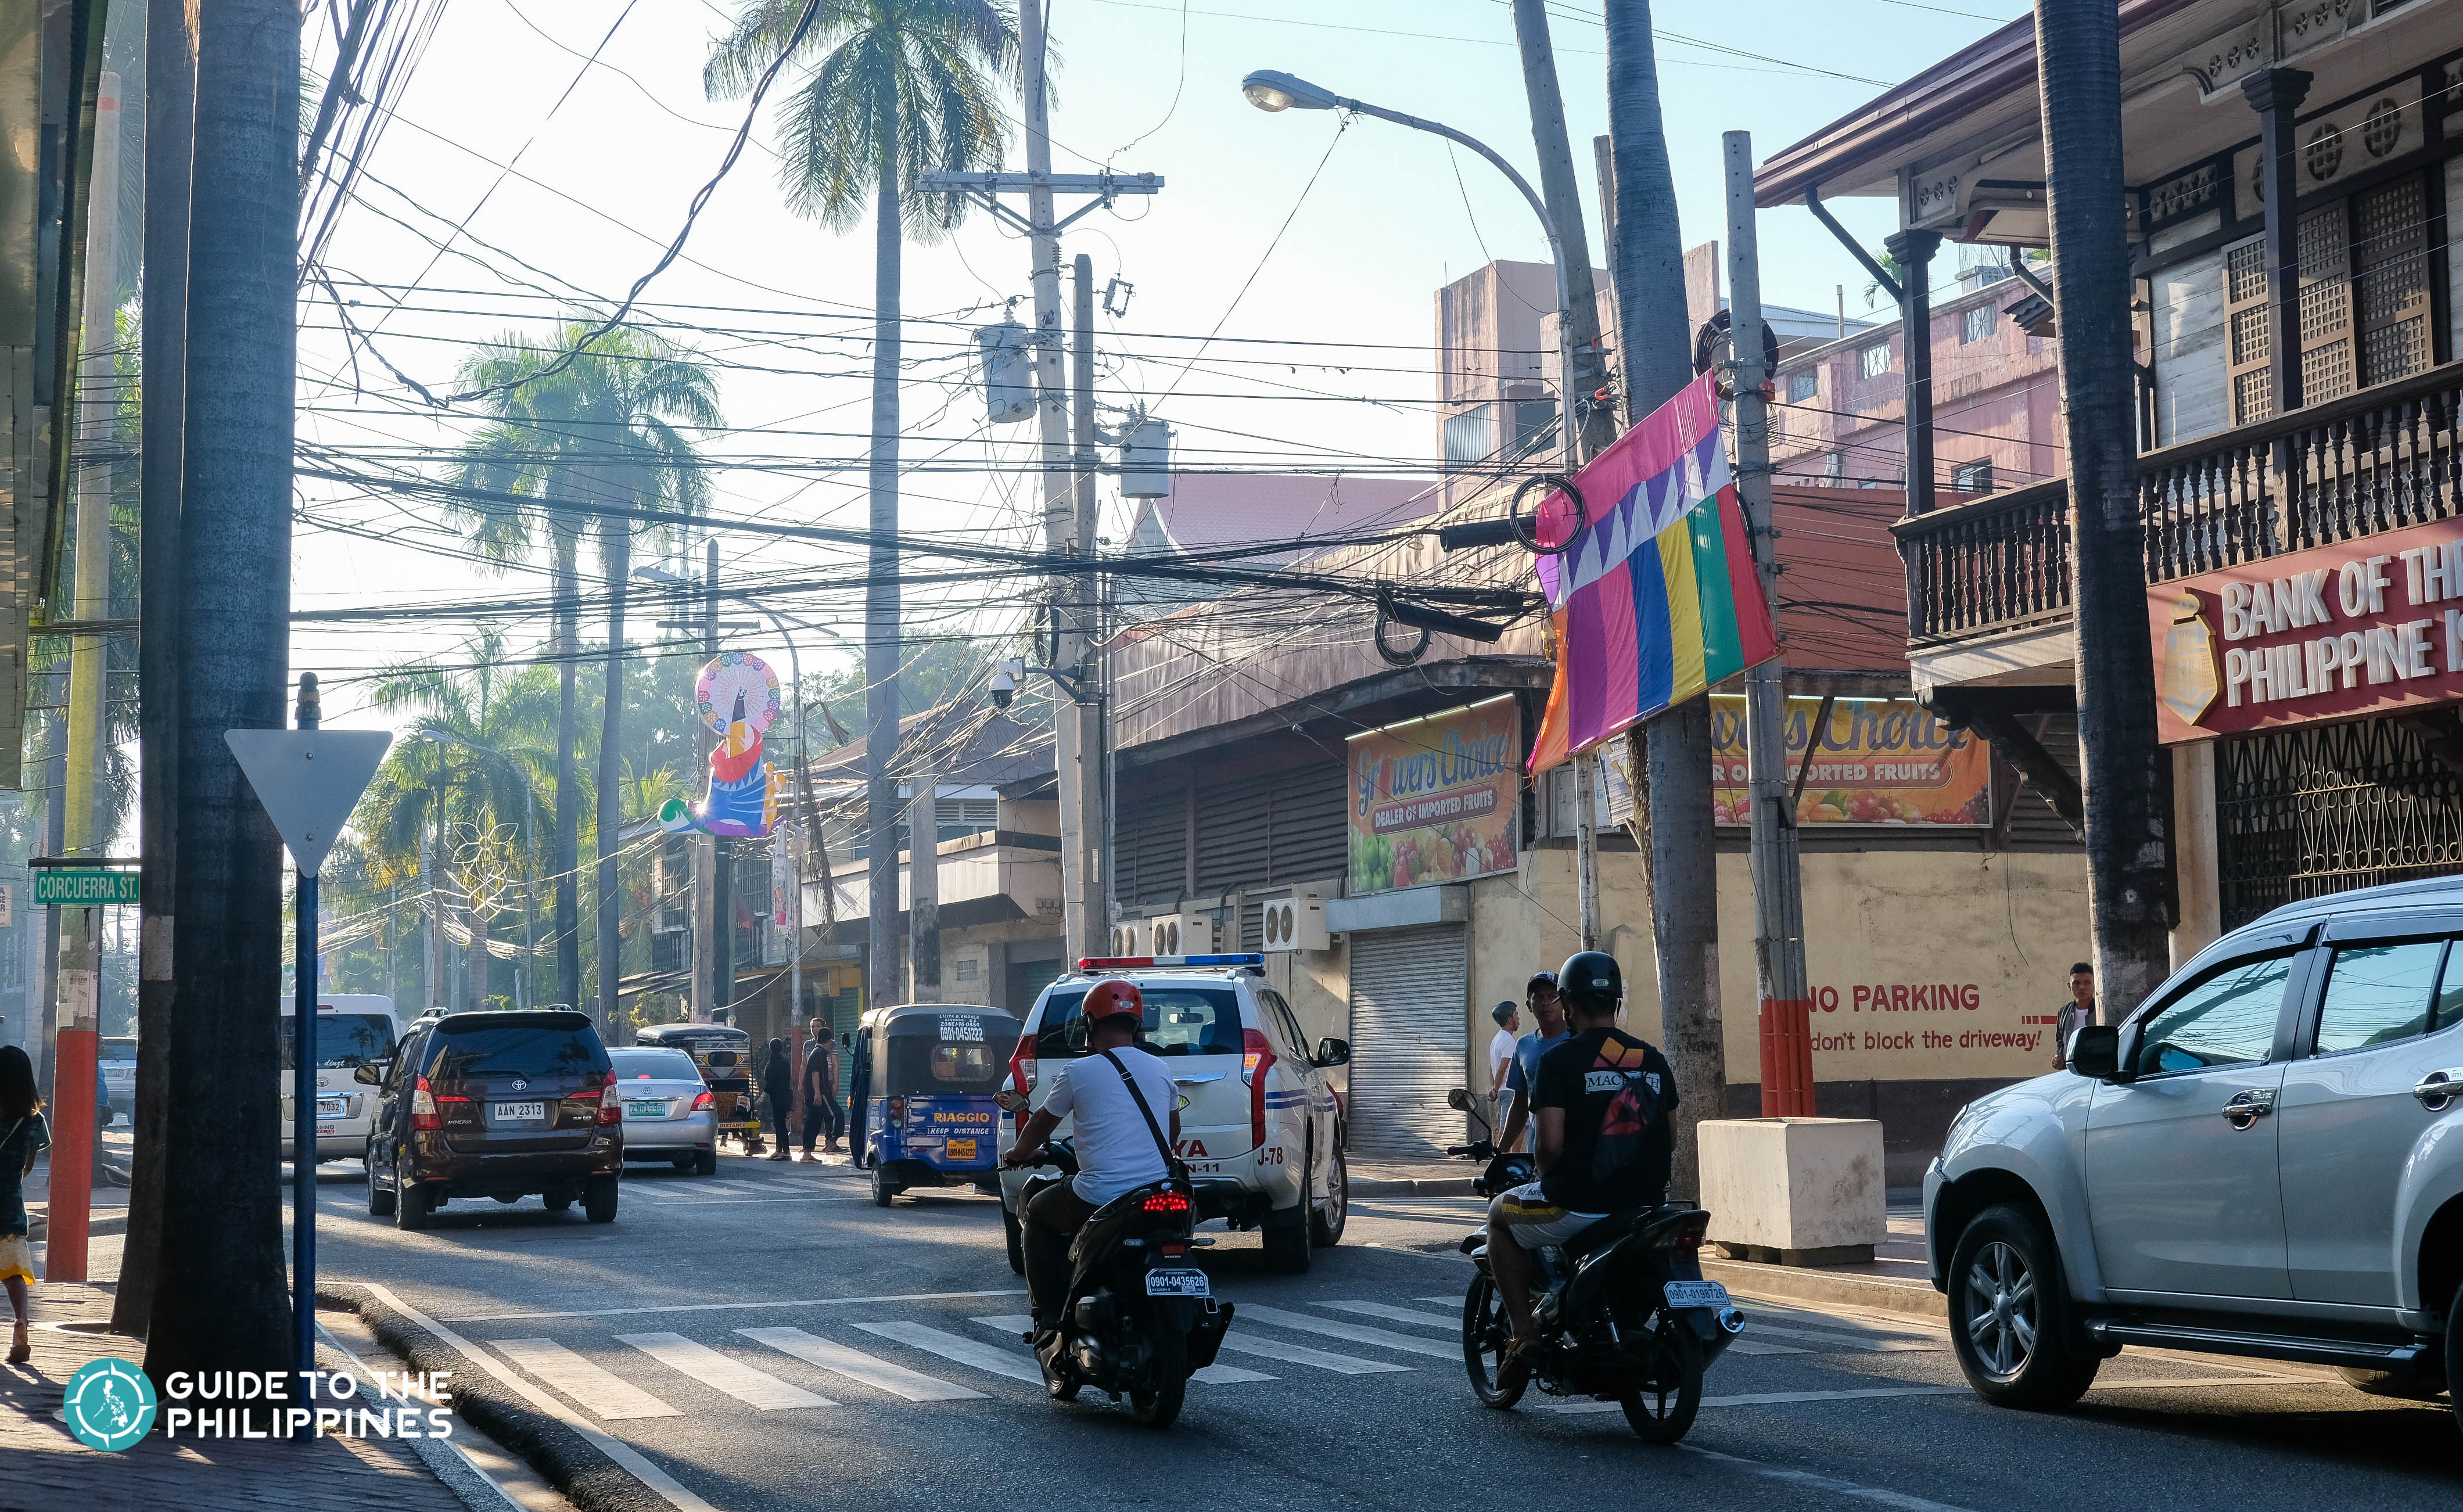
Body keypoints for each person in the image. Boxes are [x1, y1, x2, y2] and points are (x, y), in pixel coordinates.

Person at [1484, 951, 1678, 1381]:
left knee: (1498, 1215)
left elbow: (1549, 1146)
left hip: (1579, 1204)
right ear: (1617, 1003)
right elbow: (1672, 1138)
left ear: (1568, 1004)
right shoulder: (1653, 1060)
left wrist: (1545, 1172)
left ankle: (1526, 1335)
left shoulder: (1558, 1061)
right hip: (1646, 1206)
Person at [1000, 979, 1177, 1351]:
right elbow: (1172, 1130)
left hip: (1101, 1195)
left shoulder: (1078, 1072)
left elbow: (1041, 1124)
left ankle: (1048, 1316)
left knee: (1035, 1213)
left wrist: (1019, 1152)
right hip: (1159, 1191)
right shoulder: (1160, 1069)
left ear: (1089, 1025)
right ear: (1137, 1026)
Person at [0, 1044, 49, 1366]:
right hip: (9, 1202)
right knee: (13, 1270)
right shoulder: (35, 1120)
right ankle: (21, 1322)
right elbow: (28, 1167)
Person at [1495, 970, 1569, 1154]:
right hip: (1540, 1155)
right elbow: (1520, 1105)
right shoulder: (1524, 1045)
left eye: (1553, 997)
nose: (1545, 1002)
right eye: (1538, 997)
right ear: (1529, 1005)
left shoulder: (1579, 1040)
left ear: (1564, 1002)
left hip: (1578, 1157)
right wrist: (1500, 1154)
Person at [800, 1019, 843, 1158]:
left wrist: (835, 1083)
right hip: (820, 1090)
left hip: (815, 1090)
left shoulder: (818, 1051)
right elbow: (815, 1074)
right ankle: (832, 1142)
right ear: (829, 1041)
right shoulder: (819, 1053)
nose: (815, 1029)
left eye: (818, 1027)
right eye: (813, 1026)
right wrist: (818, 1093)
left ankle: (807, 1152)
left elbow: (834, 1066)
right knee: (836, 1114)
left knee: (814, 1120)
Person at [2052, 962, 2096, 1071]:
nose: (2082, 987)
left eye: (2087, 983)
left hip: (2097, 1070)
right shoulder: (2064, 1012)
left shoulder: (2102, 1012)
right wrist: (2059, 1058)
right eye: (2076, 983)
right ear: (2069, 986)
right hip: (2071, 1073)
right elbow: (2060, 1040)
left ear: (2095, 985)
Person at [1485, 1001, 1519, 1130]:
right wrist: (1495, 1089)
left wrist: (1495, 1088)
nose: (1518, 1018)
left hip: (1503, 1090)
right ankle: (1500, 1151)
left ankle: (1513, 1151)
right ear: (1510, 1019)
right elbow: (1501, 1069)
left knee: (1518, 1127)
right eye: (1516, 1015)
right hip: (1510, 1091)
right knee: (1508, 1128)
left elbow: (1491, 1067)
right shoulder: (1509, 1041)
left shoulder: (1497, 1039)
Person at [758, 1037, 793, 1161]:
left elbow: (772, 1082)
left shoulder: (775, 1063)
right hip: (783, 1097)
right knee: (779, 1124)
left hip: (779, 1098)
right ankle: (779, 1150)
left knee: (780, 1124)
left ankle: (786, 1152)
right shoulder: (784, 1062)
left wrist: (763, 1096)